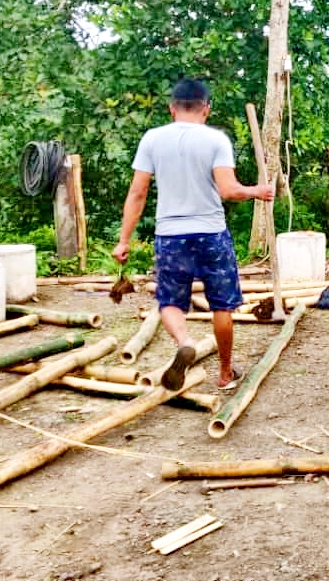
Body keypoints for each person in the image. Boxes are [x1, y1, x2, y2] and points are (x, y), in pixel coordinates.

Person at [112, 79, 274, 391]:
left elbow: (137, 193)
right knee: (221, 305)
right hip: (211, 232)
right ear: (206, 109)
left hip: (171, 234)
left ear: (172, 108)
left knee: (170, 299)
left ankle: (185, 341)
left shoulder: (152, 139)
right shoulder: (215, 140)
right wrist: (257, 191)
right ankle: (226, 373)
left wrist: (124, 240)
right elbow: (229, 191)